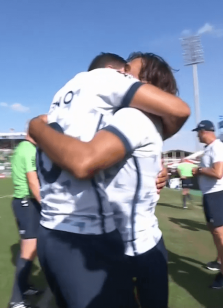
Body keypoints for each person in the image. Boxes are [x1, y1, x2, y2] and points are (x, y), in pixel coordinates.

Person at [31, 52, 189, 308]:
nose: (123, 76)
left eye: (129, 72)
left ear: (149, 86)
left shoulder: (133, 118)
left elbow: (84, 161)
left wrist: (38, 127)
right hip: (135, 241)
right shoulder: (122, 120)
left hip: (132, 247)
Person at [191, 120, 223, 289]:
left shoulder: (218, 147)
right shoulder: (210, 148)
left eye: (198, 132)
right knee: (214, 230)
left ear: (204, 131)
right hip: (211, 195)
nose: (197, 135)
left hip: (218, 194)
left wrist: (199, 170)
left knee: (220, 232)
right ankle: (219, 261)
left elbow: (218, 173)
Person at [8, 133, 42, 308]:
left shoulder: (23, 147)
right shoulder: (29, 150)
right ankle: (16, 300)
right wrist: (45, 204)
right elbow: (32, 180)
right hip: (26, 203)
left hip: (25, 203)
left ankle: (26, 287)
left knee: (30, 249)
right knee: (28, 251)